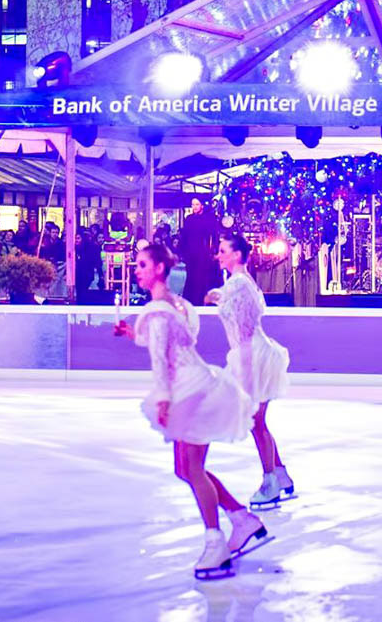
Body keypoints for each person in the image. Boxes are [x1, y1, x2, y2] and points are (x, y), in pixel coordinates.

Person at [113, 240, 265, 580]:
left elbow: (160, 359)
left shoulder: (159, 309)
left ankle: (216, 543)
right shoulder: (176, 305)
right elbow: (177, 338)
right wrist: (133, 335)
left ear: (159, 269)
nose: (136, 271)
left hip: (190, 390)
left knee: (192, 468)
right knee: (185, 468)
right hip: (195, 384)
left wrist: (164, 399)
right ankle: (241, 517)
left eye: (141, 265)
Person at [208, 233, 295, 509]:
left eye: (223, 251)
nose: (218, 255)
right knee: (258, 423)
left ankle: (270, 480)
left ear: (236, 255)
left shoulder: (237, 284)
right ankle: (280, 475)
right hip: (252, 354)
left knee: (256, 423)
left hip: (252, 356)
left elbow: (244, 328)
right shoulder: (240, 283)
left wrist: (244, 373)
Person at [178, 199, 221, 305]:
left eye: (197, 204)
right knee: (192, 276)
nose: (195, 207)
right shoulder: (189, 219)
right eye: (193, 205)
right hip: (191, 252)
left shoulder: (209, 218)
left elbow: (214, 235)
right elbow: (185, 236)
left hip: (204, 252)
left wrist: (215, 250)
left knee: (203, 276)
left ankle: (203, 299)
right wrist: (182, 251)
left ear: (202, 205)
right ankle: (191, 300)